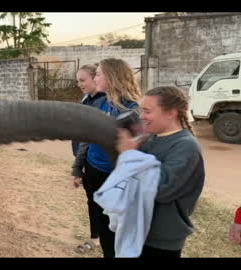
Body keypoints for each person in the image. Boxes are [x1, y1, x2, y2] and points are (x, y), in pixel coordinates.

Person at [116, 86, 205, 258]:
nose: (141, 116)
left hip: (160, 238)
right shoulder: (151, 139)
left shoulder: (186, 146)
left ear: (171, 113)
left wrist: (130, 155)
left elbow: (159, 190)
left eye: (147, 111)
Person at [86, 58, 143, 258]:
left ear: (111, 77)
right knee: (104, 230)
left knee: (117, 234)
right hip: (95, 172)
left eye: (99, 73)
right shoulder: (101, 103)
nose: (95, 77)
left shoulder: (133, 110)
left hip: (115, 179)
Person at [70, 64, 106, 253]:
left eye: (82, 80)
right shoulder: (87, 100)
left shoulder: (107, 102)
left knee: (104, 205)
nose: (79, 84)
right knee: (92, 202)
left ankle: (106, 240)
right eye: (78, 80)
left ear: (95, 79)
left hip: (102, 165)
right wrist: (79, 166)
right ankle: (95, 238)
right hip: (88, 163)